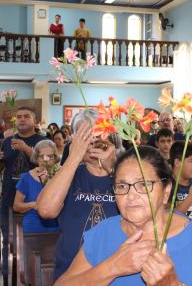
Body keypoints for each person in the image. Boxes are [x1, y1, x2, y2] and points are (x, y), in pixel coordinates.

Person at [57, 145, 192, 285]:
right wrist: (113, 267)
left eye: (144, 185)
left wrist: (173, 284)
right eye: (122, 186)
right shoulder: (103, 232)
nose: (131, 195)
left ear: (166, 191)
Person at [37, 111, 120, 279]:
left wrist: (112, 167)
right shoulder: (69, 174)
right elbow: (46, 210)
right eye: (85, 136)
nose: (93, 141)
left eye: (98, 134)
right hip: (72, 272)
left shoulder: (123, 173)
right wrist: (74, 156)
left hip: (116, 272)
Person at [0, 107, 47, 286]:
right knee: (8, 239)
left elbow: (49, 166)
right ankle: (8, 276)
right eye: (19, 117)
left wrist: (27, 150)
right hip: (9, 196)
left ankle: (32, 277)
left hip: (35, 199)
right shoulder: (7, 142)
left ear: (34, 120)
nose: (22, 119)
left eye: (26, 116)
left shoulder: (43, 141)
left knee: (34, 241)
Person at [13, 140, 59, 233]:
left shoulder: (61, 177)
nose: (46, 160)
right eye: (42, 156)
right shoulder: (26, 178)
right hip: (33, 229)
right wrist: (33, 205)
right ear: (36, 158)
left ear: (55, 158)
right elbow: (16, 206)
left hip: (58, 228)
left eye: (50, 156)